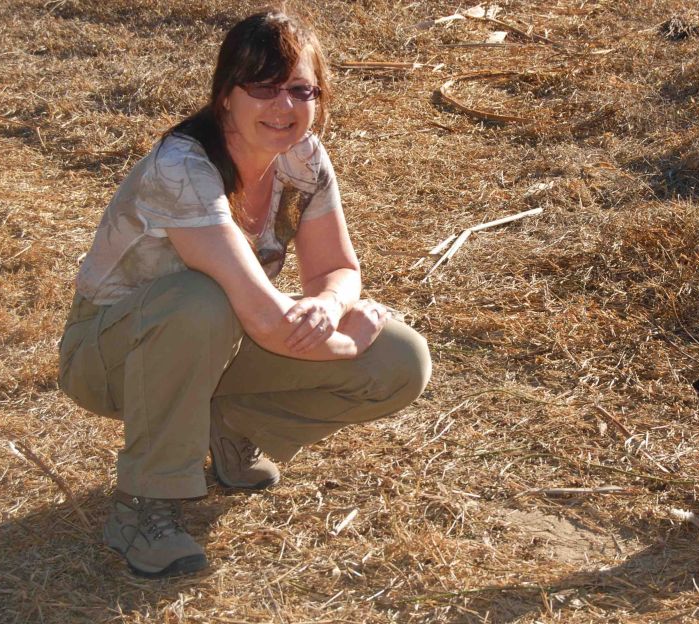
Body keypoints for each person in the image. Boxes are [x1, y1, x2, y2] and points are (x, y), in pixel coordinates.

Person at [57, 10, 431, 578]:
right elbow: (264, 318)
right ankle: (143, 505)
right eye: (262, 87)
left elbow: (336, 268)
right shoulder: (183, 166)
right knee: (199, 299)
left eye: (300, 89)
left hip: (221, 340)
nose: (283, 107)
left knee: (401, 358)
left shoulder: (304, 157)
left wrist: (329, 306)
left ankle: (235, 429)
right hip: (109, 355)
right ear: (225, 96)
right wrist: (347, 341)